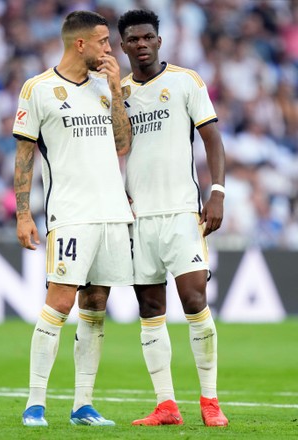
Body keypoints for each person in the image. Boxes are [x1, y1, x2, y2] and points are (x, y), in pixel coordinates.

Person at [13, 10, 134, 427]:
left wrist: (116, 90)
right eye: (103, 41)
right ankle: (34, 403)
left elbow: (122, 144)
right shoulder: (39, 89)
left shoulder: (105, 87)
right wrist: (24, 212)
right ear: (80, 43)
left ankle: (83, 405)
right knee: (59, 303)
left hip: (112, 214)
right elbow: (25, 155)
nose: (109, 48)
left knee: (96, 304)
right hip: (70, 213)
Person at [117, 9, 228, 427]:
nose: (142, 44)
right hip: (137, 217)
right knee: (149, 306)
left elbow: (212, 138)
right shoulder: (117, 92)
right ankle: (166, 405)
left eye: (149, 37)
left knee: (195, 300)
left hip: (183, 211)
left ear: (159, 41)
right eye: (134, 39)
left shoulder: (186, 81)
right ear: (124, 45)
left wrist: (217, 192)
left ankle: (210, 401)